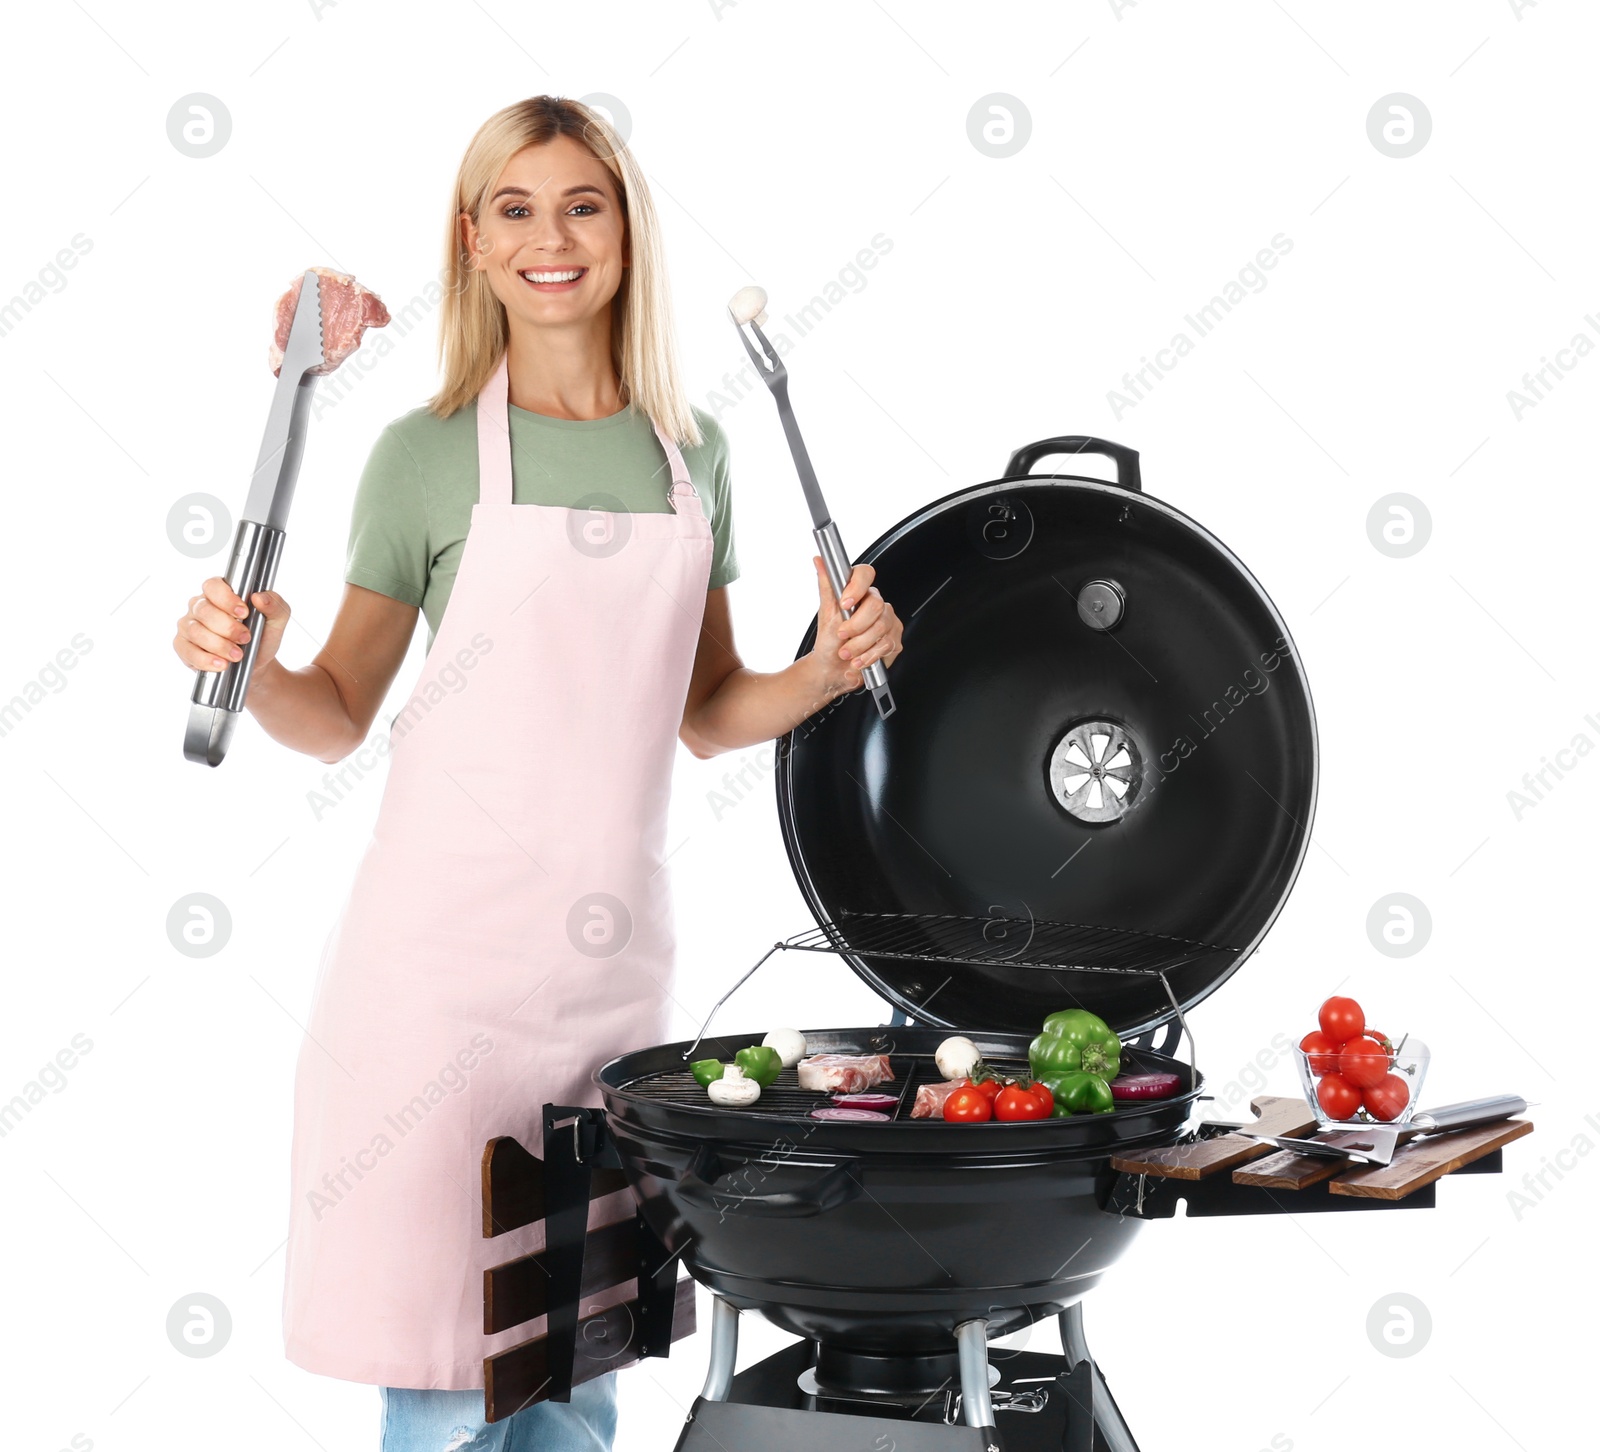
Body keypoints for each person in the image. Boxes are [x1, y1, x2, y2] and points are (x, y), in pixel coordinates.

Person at [169, 95, 903, 1452]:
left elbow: (708, 708)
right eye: (515, 208)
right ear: (474, 239)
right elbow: (332, 712)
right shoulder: (426, 456)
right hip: (436, 992)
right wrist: (251, 659)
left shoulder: (697, 458)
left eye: (583, 204)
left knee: (573, 1379)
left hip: (610, 993)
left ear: (626, 232)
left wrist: (829, 667)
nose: (550, 237)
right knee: (451, 1390)